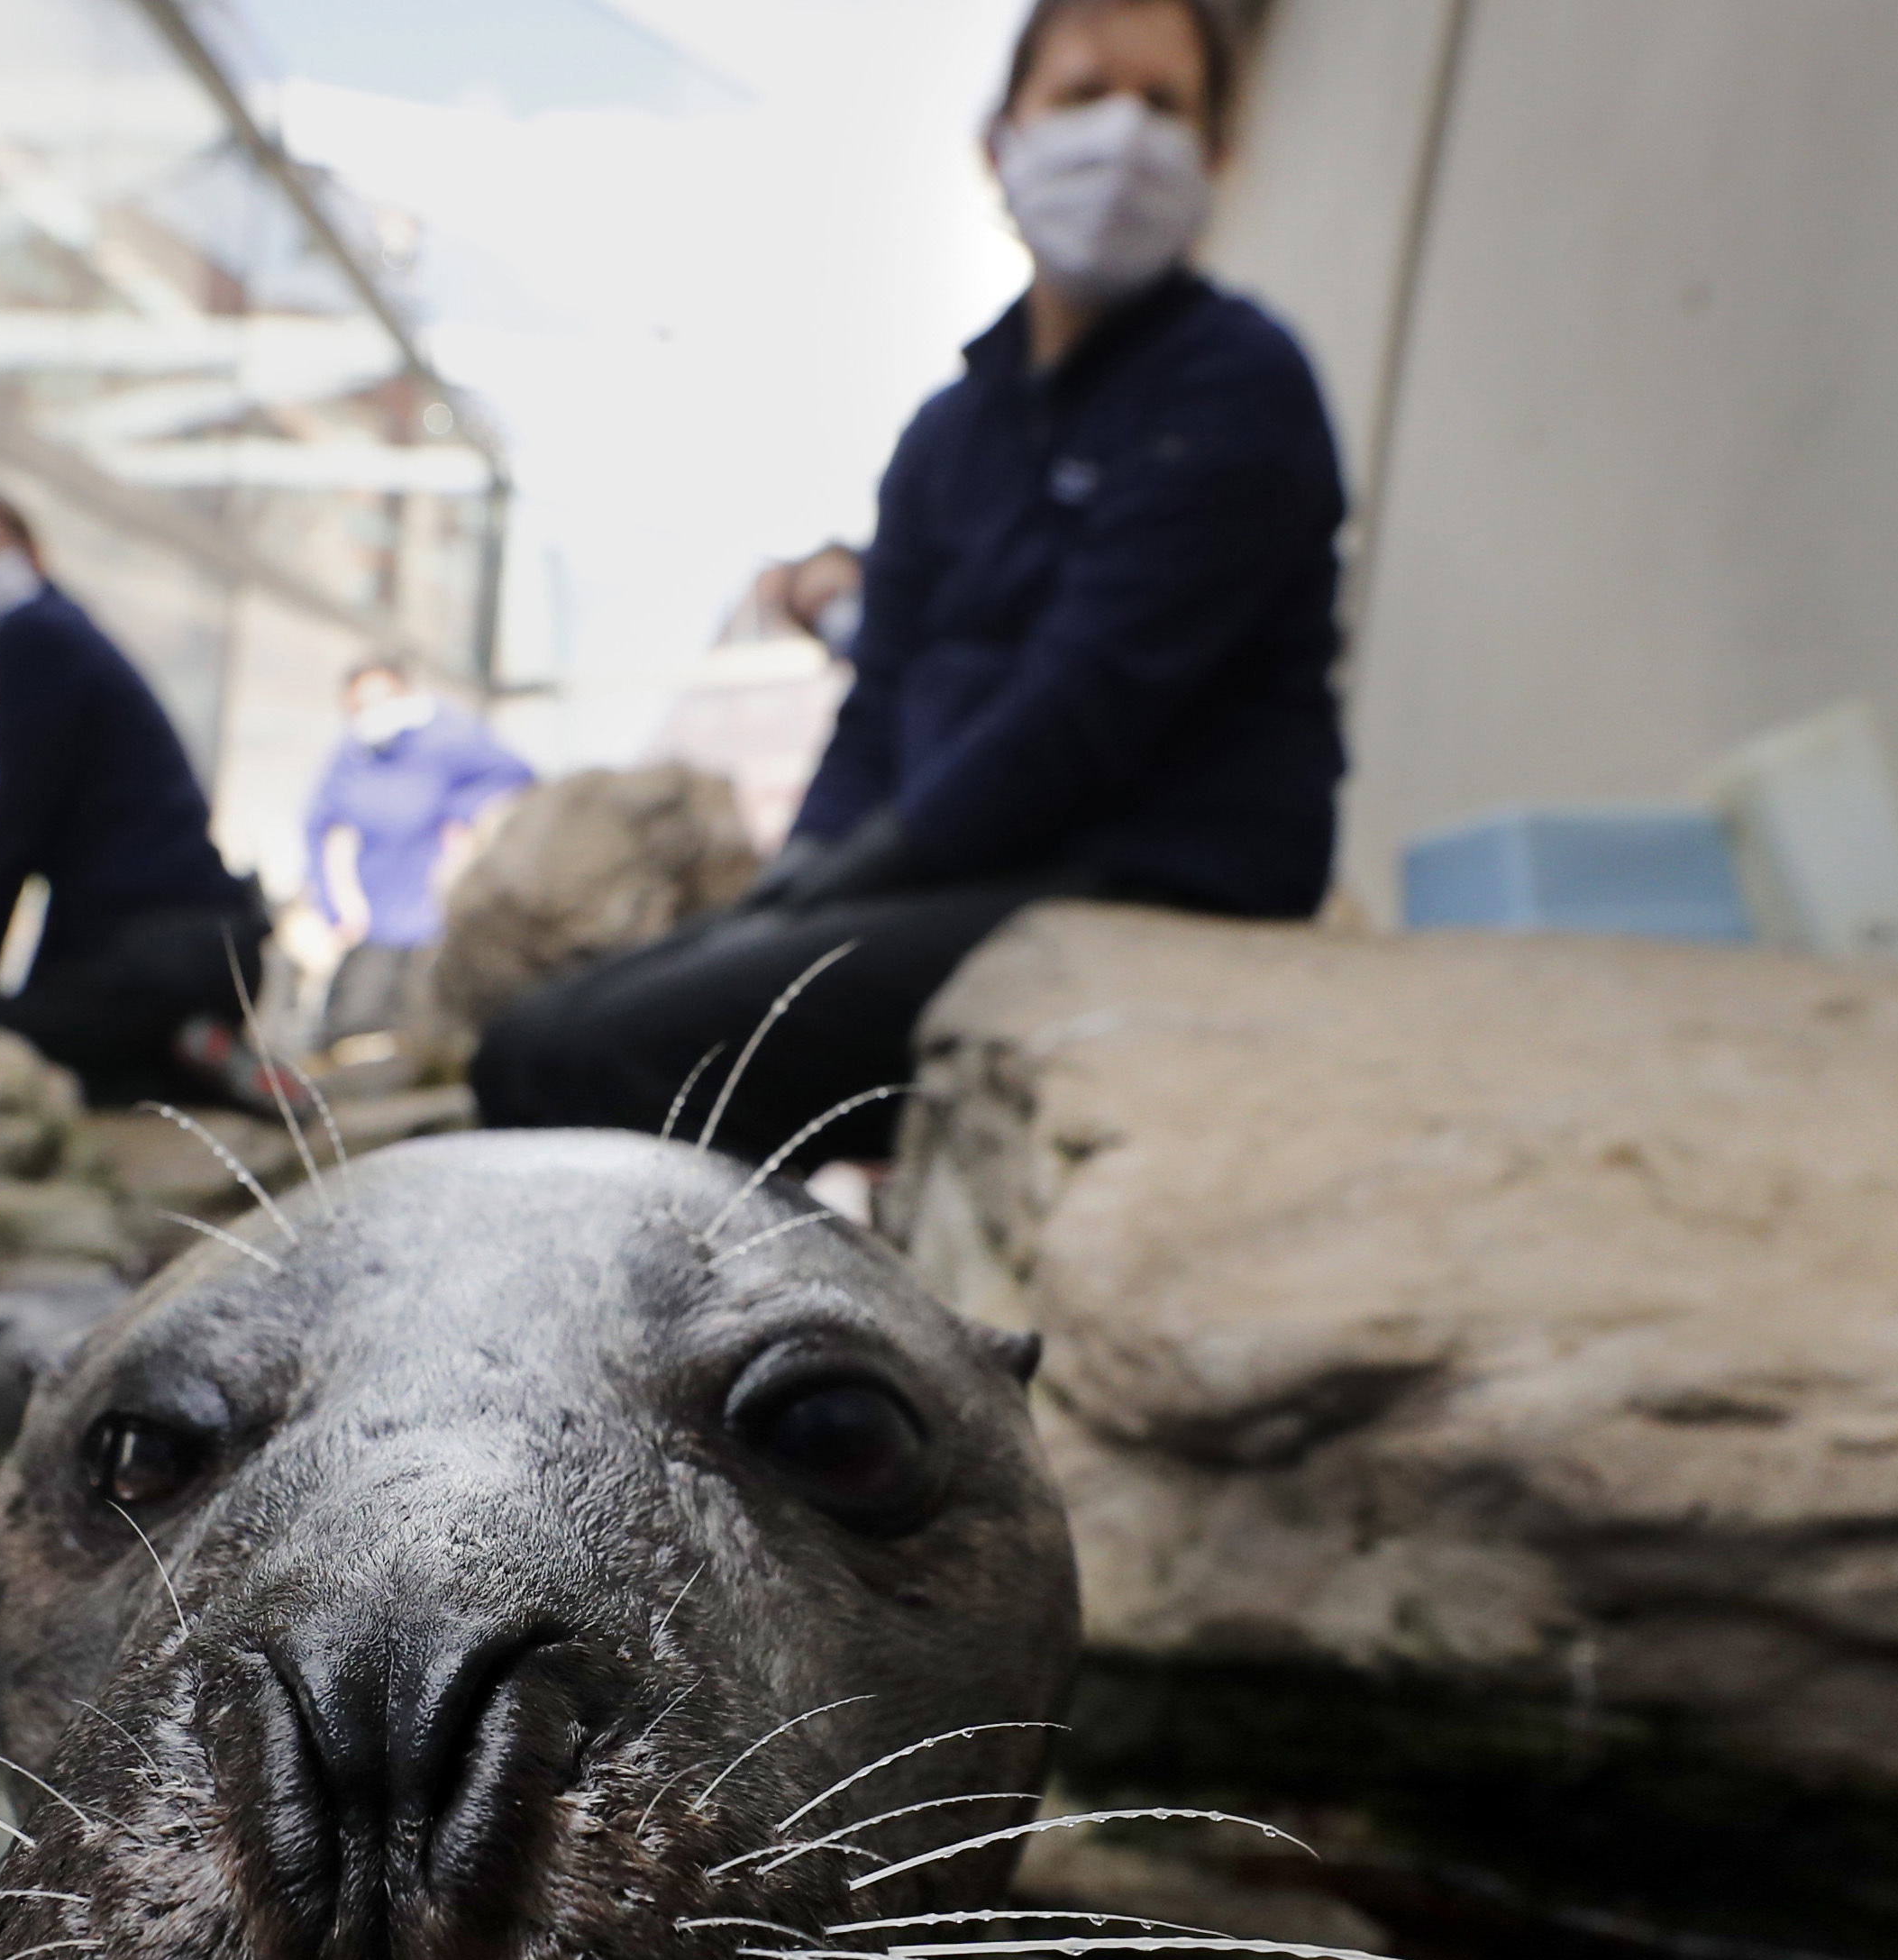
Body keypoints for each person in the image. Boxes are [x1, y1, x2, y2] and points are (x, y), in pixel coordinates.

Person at [473, 0, 1343, 1166]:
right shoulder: (951, 432)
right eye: (1084, 95)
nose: (1124, 133)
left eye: (1164, 102)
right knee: (526, 1038)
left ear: (1218, 155)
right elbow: (878, 704)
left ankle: (754, 1338)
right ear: (1001, 142)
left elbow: (1083, 705)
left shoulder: (1237, 381)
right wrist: (799, 875)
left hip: (1139, 887)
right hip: (951, 879)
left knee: (624, 1053)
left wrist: (873, 864)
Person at [0, 487, 293, 1111]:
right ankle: (186, 1050)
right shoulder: (69, 633)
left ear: (29, 552)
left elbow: (17, 823)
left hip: (156, 957)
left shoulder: (34, 639)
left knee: (7, 1042)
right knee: (70, 1040)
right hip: (207, 952)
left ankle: (175, 1048)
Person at [297, 657, 533, 1045]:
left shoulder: (450, 737)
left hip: (437, 925)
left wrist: (462, 816)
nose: (373, 713)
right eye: (360, 705)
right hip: (375, 924)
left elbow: (516, 776)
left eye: (383, 698)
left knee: (433, 1034)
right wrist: (332, 904)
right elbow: (316, 825)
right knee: (349, 1027)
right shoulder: (353, 753)